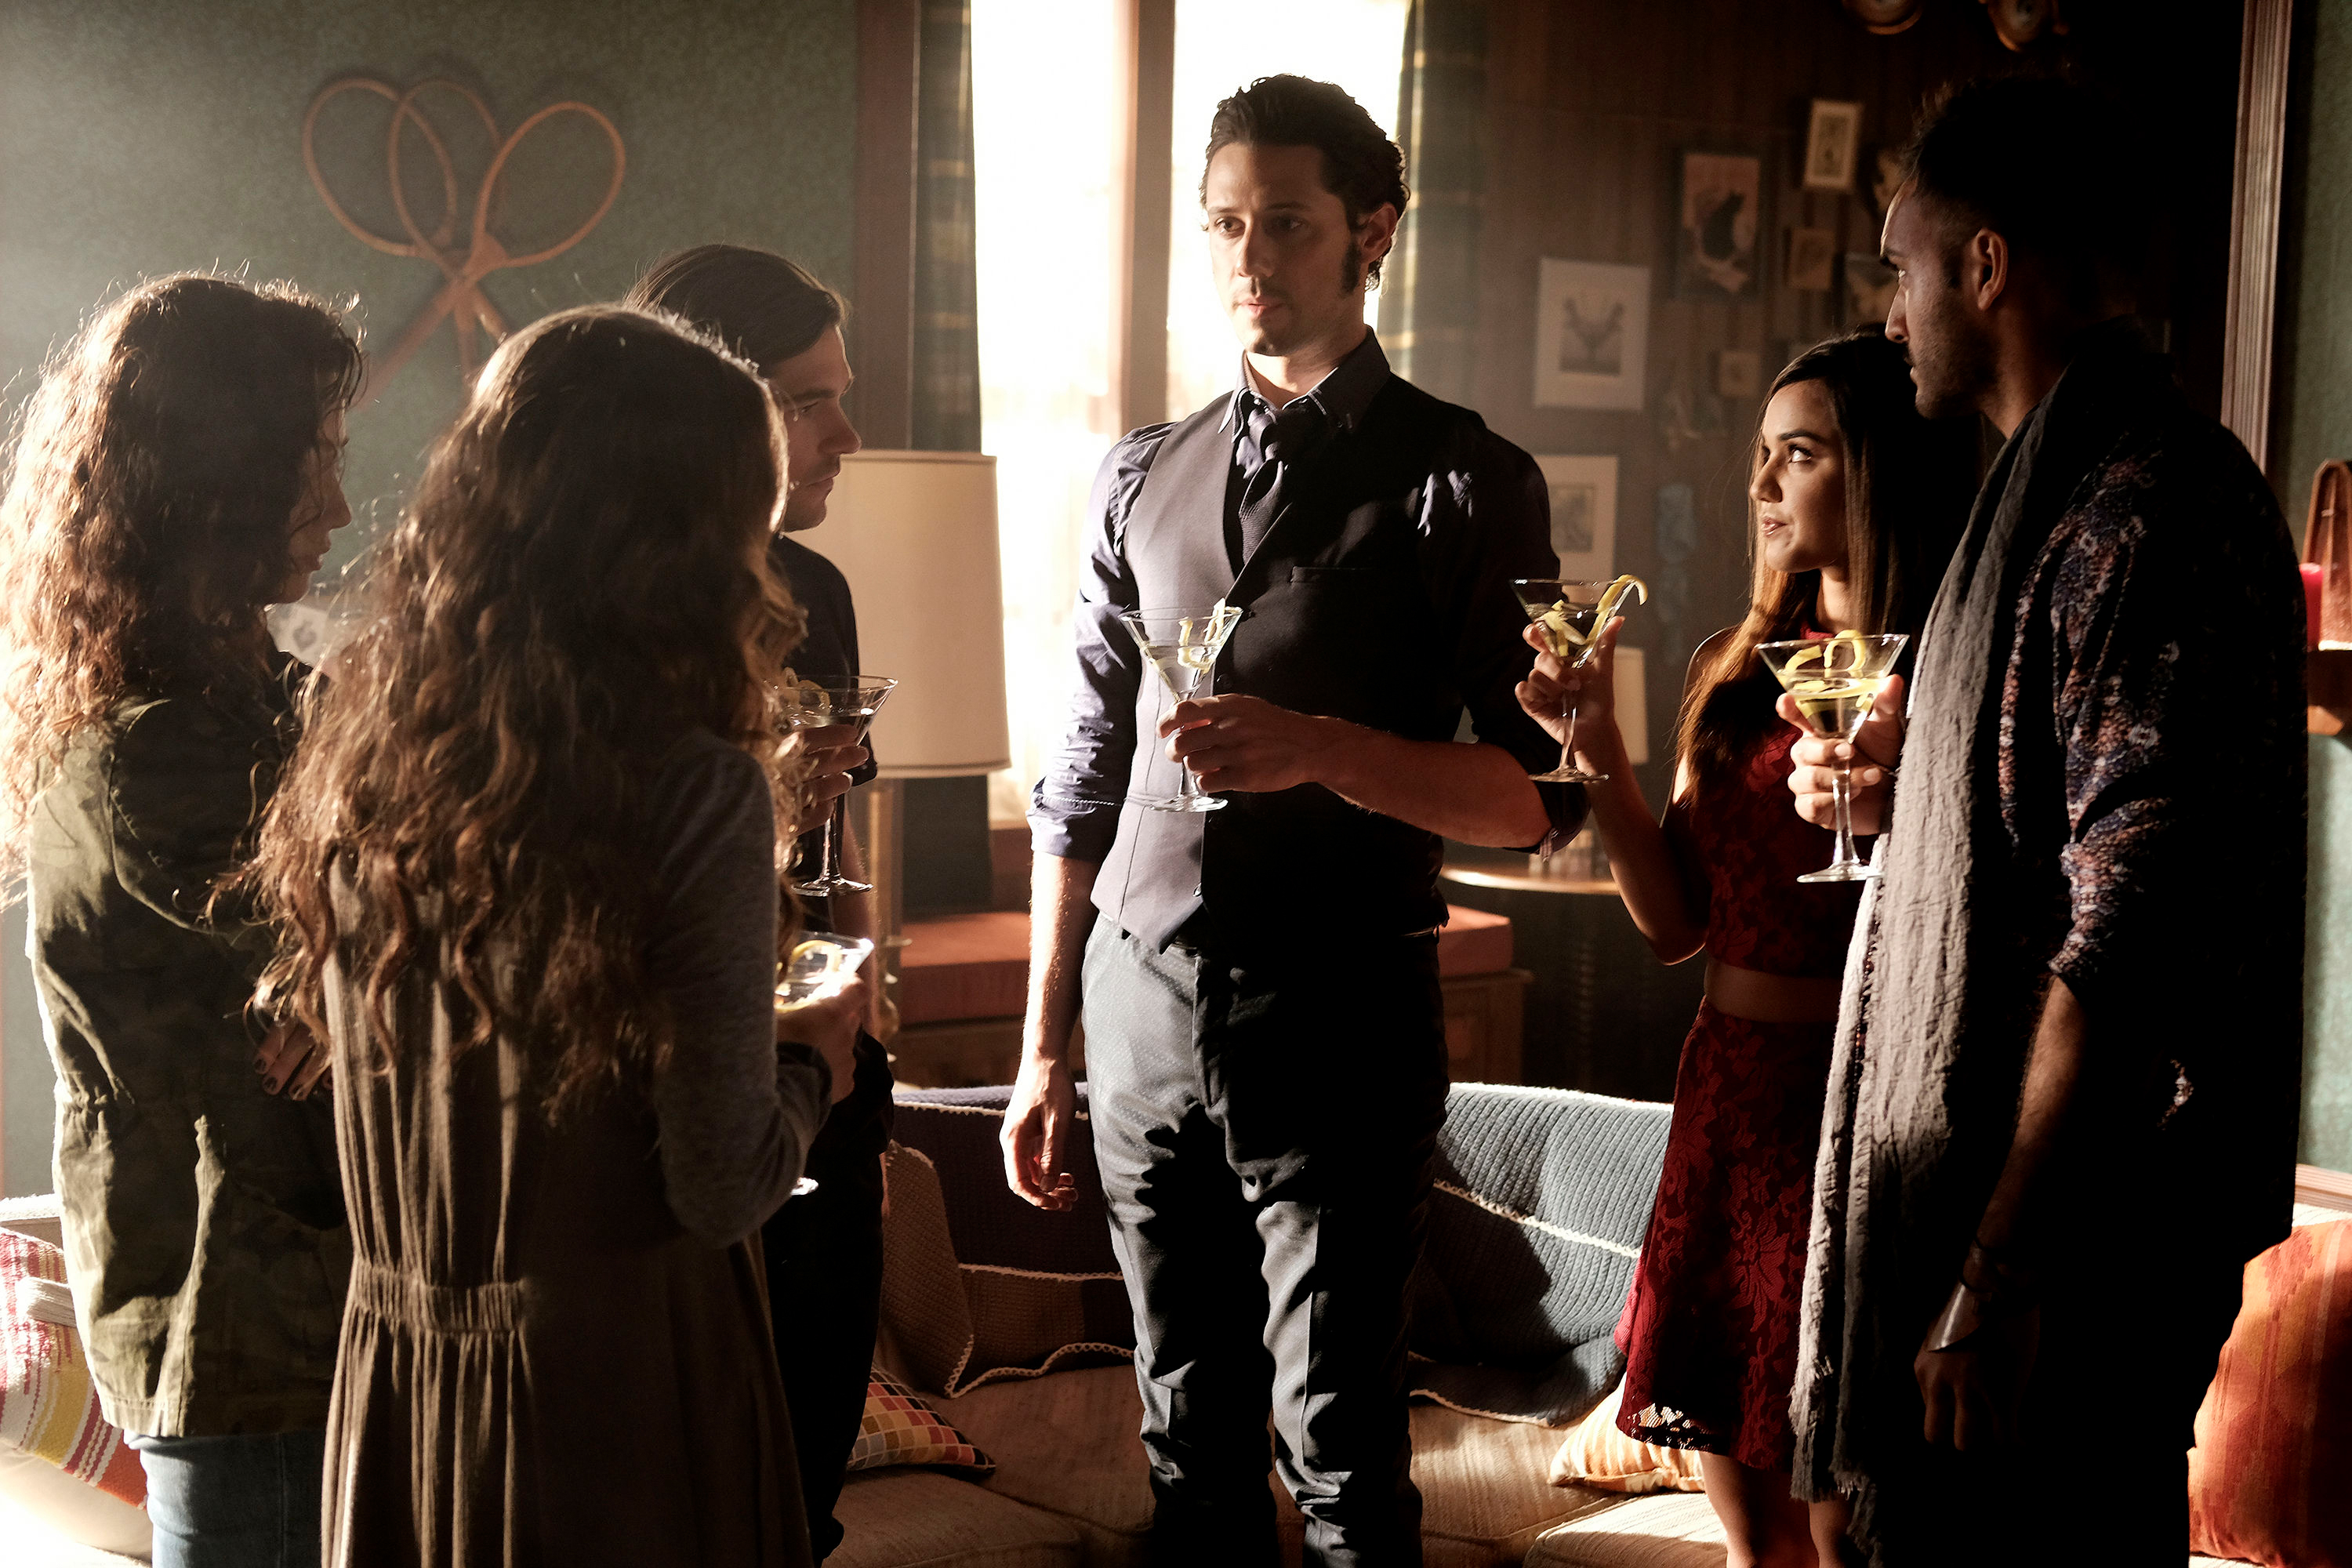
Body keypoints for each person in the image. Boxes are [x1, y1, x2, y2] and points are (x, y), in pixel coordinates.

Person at [1006, 74, 1581, 1565]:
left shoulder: (1467, 479)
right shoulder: (1138, 472)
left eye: (1286, 224)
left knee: (1341, 1462)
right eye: (1223, 225)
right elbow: (1082, 775)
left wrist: (1323, 748)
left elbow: (1534, 795)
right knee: (1184, 1447)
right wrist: (1044, 1042)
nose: (1248, 258)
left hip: (1337, 1015)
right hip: (1136, 1005)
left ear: (1373, 232)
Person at [1782, 77, 2306, 1566]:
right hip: (2007, 1220)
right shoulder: (2051, 500)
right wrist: (1909, 799)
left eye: (1901, 266)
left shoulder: (2146, 511)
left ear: (1987, 266)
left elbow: (2133, 928)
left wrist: (1997, 1273)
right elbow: (2043, 835)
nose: (1890, 314)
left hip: (2069, 1251)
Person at [248, 306, 864, 1566]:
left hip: (407, 1381)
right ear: (692, 542)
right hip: (614, 1396)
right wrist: (814, 1060)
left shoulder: (370, 760)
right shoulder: (691, 788)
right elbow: (720, 1182)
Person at [1519, 332, 1973, 1568]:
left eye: (1800, 455)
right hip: (1729, 1109)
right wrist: (1598, 750)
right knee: (1753, 1536)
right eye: (1762, 455)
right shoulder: (1734, 671)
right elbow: (1674, 924)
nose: (1763, 484)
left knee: (1843, 1523)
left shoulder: (1948, 676)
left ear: (1874, 474)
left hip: (1858, 1115)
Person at [0, 274, 360, 1568]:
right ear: (218, 483)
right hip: (241, 1327)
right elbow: (410, 939)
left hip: (302, 1314)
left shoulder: (270, 698)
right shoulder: (158, 750)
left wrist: (352, 970)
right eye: (311, 467)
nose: (338, 508)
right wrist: (356, 970)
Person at [624, 243, 890, 1563]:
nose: (846, 434)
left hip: (822, 1066)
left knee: (804, 1490)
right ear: (707, 410)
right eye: (807, 401)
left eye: (842, 394)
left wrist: (856, 1014)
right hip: (687, 1095)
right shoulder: (611, 616)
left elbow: (833, 843)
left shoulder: (817, 591)